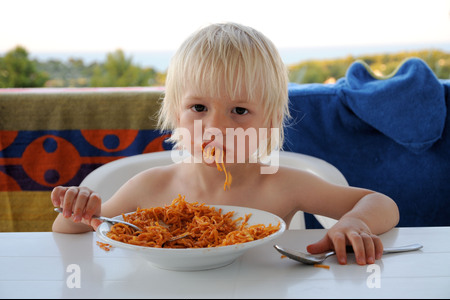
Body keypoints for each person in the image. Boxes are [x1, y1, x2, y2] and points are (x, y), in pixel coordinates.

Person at [52, 22, 399, 265]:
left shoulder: (284, 185)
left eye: (240, 110)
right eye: (199, 108)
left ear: (271, 121)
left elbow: (380, 202)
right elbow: (71, 231)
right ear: (175, 112)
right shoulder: (150, 186)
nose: (216, 126)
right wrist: (78, 210)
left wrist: (355, 223)